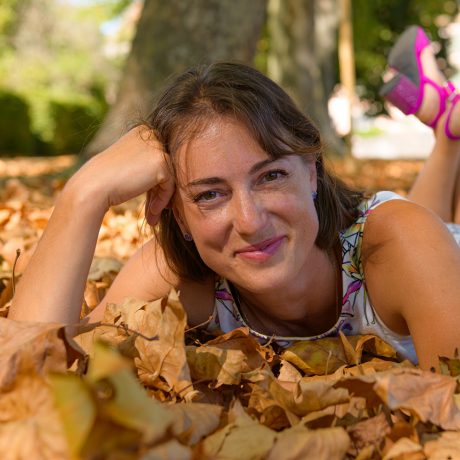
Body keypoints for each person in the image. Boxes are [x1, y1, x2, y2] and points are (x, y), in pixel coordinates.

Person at [9, 26, 460, 371]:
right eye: (209, 195)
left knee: (415, 236)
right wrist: (84, 194)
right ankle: (449, 128)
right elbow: (29, 375)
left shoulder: (403, 244)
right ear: (179, 217)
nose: (248, 221)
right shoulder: (183, 277)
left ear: (312, 171)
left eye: (271, 177)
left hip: (435, 251)